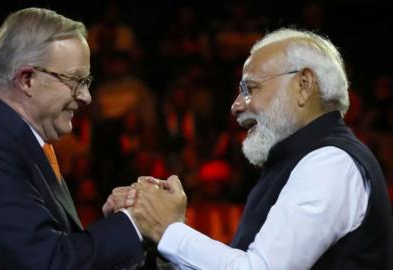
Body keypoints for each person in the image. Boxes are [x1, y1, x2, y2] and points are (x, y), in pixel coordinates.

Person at [115, 28, 393, 269]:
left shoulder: (330, 163)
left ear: (304, 84)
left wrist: (166, 229)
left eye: (250, 88)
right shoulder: (297, 160)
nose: (236, 105)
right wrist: (150, 233)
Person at [0, 7, 144, 270]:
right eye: (75, 80)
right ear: (27, 79)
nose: (86, 96)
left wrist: (118, 223)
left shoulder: (21, 145)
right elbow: (50, 262)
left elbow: (55, 249)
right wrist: (134, 222)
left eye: (87, 81)